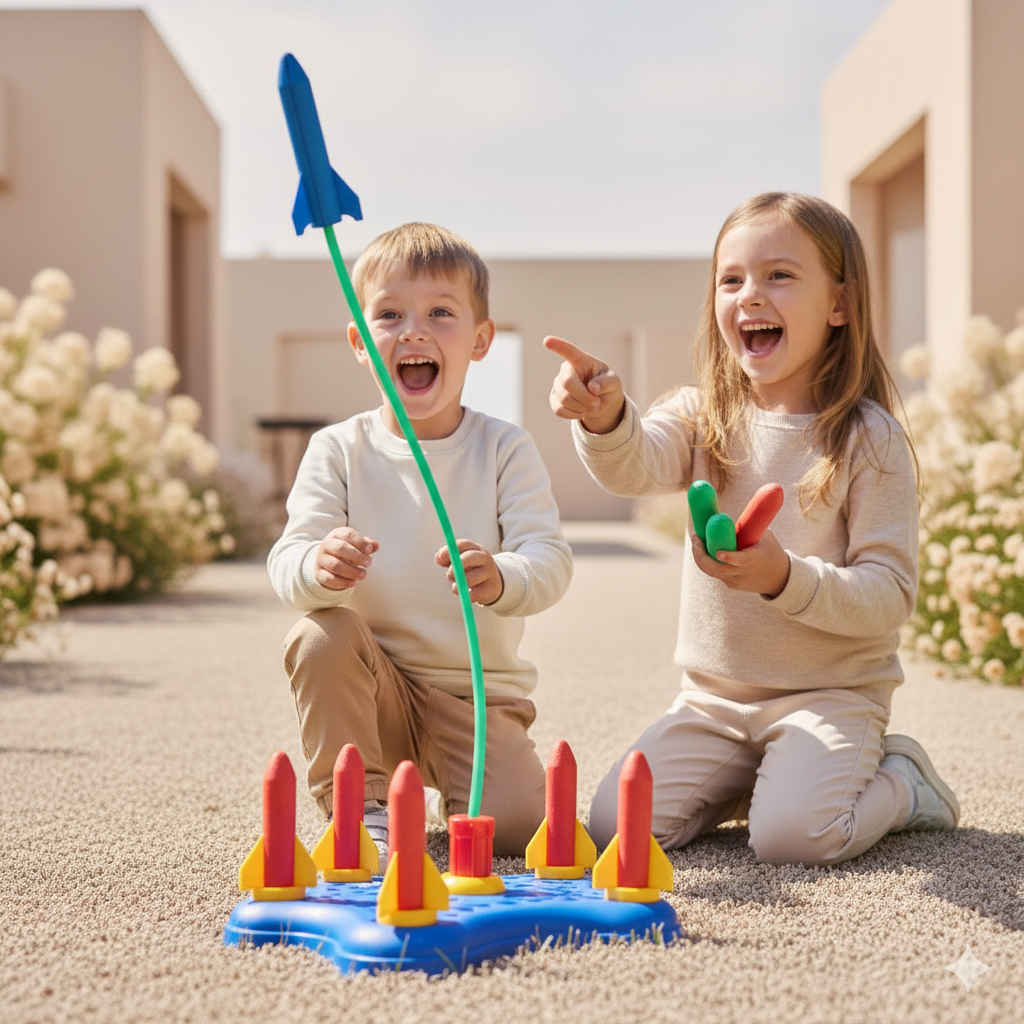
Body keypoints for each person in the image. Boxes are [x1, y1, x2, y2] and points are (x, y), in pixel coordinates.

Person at [545, 192, 958, 867]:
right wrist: (603, 417)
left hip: (831, 697)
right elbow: (634, 467)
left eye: (779, 275)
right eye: (730, 279)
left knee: (793, 838)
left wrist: (783, 578)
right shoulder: (701, 413)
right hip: (713, 702)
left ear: (840, 305)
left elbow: (889, 594)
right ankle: (763, 778)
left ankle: (903, 784)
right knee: (613, 827)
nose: (750, 295)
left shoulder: (869, 438)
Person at [269, 222, 572, 865]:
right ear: (359, 341)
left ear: (480, 340)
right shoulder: (338, 449)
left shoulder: (504, 448)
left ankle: (459, 793)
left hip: (475, 701)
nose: (414, 331)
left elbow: (549, 559)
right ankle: (363, 809)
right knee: (319, 635)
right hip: (374, 691)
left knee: (517, 831)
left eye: (440, 312)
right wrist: (318, 567)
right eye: (389, 315)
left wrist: (504, 576)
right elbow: (287, 562)